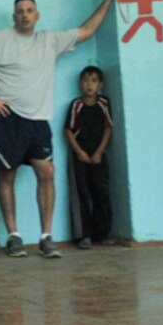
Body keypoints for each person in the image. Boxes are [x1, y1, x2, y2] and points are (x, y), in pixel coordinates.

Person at [0, 0, 116, 258]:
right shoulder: (0, 40)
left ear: (37, 15)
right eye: (20, 11)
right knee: (7, 174)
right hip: (6, 119)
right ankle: (14, 236)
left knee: (48, 172)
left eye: (30, 10)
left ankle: (46, 237)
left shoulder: (50, 41)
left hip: (37, 121)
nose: (25, 15)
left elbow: (87, 30)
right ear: (14, 16)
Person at [63, 66, 116, 248]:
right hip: (80, 153)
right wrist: (80, 152)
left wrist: (100, 151)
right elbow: (68, 131)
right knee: (81, 194)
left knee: (101, 193)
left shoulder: (104, 103)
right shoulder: (76, 105)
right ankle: (82, 236)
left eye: (94, 80)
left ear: (101, 84)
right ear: (80, 83)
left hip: (98, 152)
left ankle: (100, 234)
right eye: (86, 80)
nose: (89, 85)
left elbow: (108, 128)